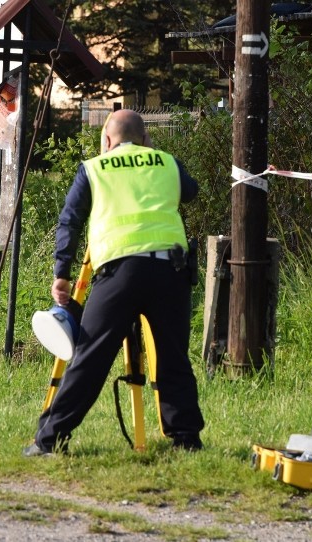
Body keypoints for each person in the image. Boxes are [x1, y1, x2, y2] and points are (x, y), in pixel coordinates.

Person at [24, 109, 205, 456]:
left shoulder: (94, 168)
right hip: (171, 272)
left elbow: (70, 220)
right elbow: (190, 192)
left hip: (118, 274)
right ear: (146, 139)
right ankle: (186, 440)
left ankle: (50, 440)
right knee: (173, 358)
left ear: (106, 140)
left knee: (90, 357)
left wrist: (61, 273)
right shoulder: (166, 161)